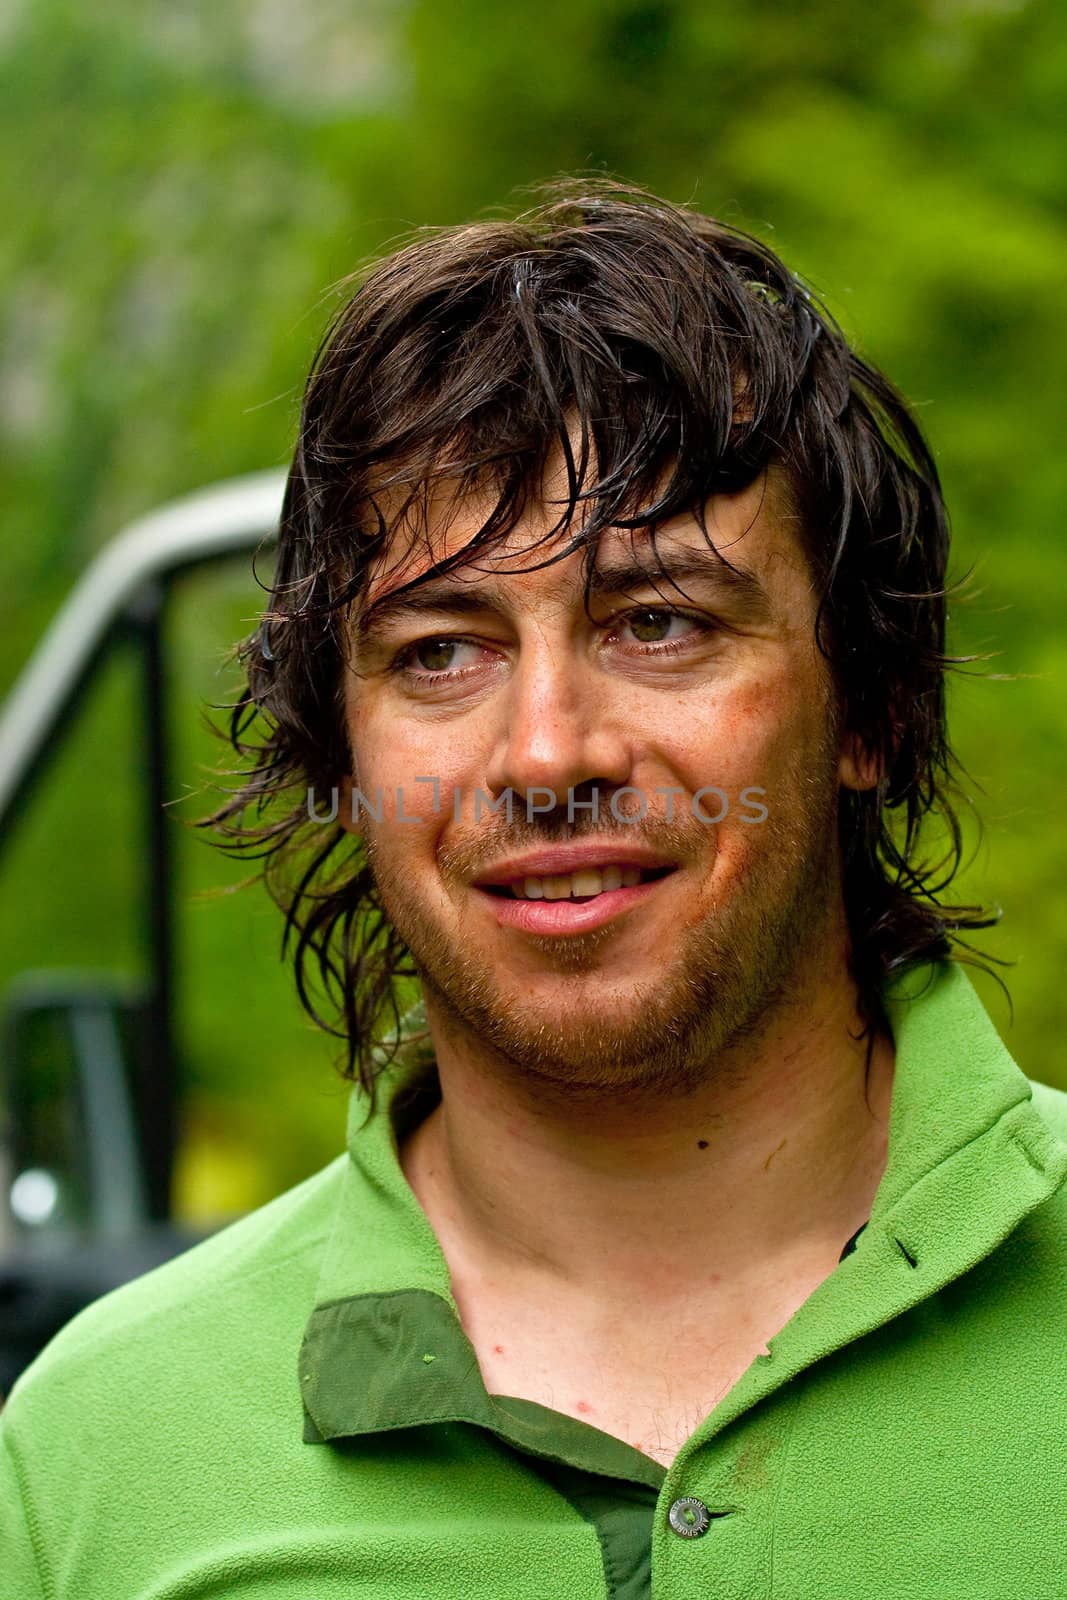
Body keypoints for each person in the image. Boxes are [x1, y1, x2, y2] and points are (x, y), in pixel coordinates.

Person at [2, 179, 1065, 1598]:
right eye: (441, 650)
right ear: (347, 753)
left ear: (864, 707)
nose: (549, 752)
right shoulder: (94, 1455)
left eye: (659, 622)